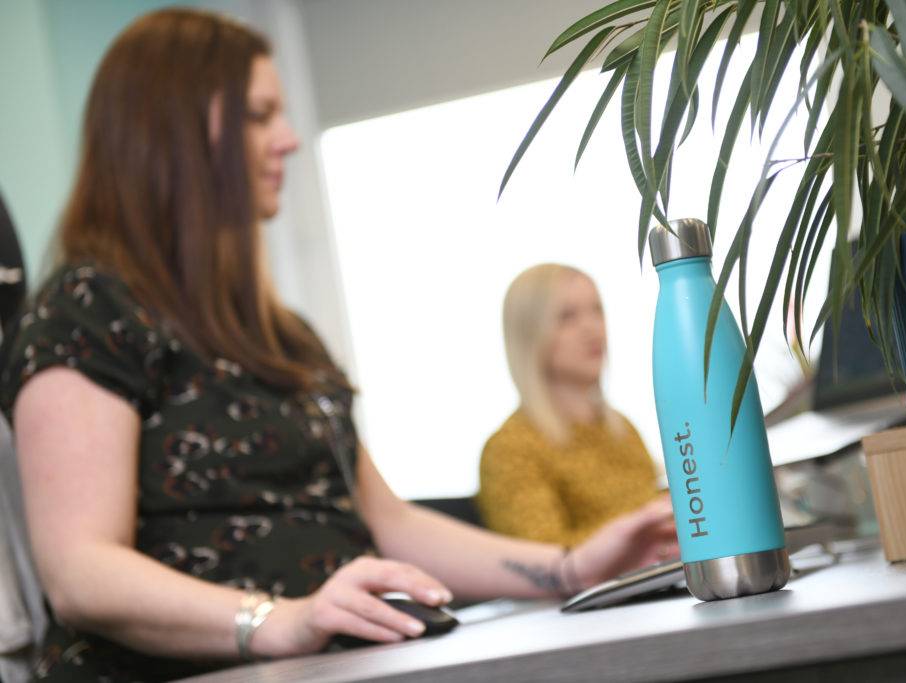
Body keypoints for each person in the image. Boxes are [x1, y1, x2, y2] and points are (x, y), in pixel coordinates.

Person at [0, 9, 677, 682]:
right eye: (259, 114)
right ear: (175, 132)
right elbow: (79, 570)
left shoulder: (282, 333)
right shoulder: (87, 309)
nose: (288, 139)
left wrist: (566, 566)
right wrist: (279, 622)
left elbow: (386, 519)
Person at [477, 264, 664, 547]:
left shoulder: (621, 429)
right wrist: (643, 537)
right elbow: (547, 560)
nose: (592, 328)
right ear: (530, 333)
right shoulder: (511, 449)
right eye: (567, 317)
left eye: (597, 310)